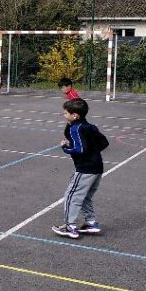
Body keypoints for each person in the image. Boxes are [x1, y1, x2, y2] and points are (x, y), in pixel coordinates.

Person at [53, 97, 109, 239]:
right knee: (85, 197)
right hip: (97, 167)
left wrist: (65, 148)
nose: (63, 115)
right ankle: (91, 223)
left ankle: (69, 226)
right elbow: (104, 142)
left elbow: (79, 149)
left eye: (65, 113)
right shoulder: (88, 126)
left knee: (71, 196)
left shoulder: (76, 129)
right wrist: (93, 152)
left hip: (85, 168)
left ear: (74, 115)